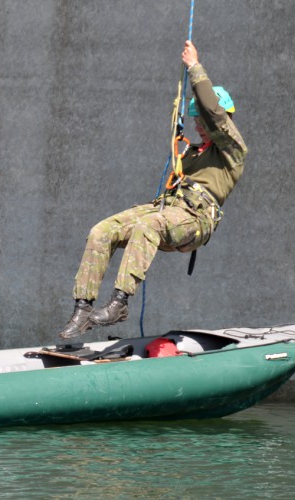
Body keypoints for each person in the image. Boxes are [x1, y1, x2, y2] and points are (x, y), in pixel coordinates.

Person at [58, 40, 248, 339]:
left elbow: (215, 114)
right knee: (102, 231)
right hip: (168, 210)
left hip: (194, 220)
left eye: (203, 122)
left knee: (148, 226)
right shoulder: (192, 153)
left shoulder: (232, 151)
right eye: (196, 121)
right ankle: (83, 308)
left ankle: (120, 302)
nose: (198, 127)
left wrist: (194, 67)